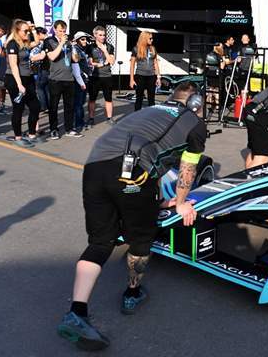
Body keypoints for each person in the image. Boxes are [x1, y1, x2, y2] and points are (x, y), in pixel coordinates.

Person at [57, 82, 206, 351]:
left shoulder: (151, 111)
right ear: (195, 102)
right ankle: (132, 293)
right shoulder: (193, 123)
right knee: (141, 239)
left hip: (95, 167)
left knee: (100, 242)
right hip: (132, 173)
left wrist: (158, 201)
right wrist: (181, 203)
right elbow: (187, 170)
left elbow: (156, 163)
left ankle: (76, 312)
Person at [4, 19, 44, 147]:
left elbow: (37, 42)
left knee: (35, 106)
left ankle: (31, 134)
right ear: (17, 31)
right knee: (19, 108)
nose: (28, 33)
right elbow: (13, 65)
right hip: (15, 79)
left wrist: (33, 29)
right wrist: (19, 84)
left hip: (28, 77)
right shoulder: (12, 44)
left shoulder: (25, 43)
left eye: (28, 31)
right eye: (25, 31)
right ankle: (18, 137)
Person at [42, 20, 83, 139]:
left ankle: (69, 128)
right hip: (55, 78)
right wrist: (61, 44)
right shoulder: (49, 41)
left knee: (69, 106)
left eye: (64, 31)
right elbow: (52, 57)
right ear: (55, 30)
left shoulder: (68, 43)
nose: (62, 33)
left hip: (69, 79)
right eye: (60, 31)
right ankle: (53, 129)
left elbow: (75, 60)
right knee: (53, 106)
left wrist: (73, 47)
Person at [86, 25, 115, 127]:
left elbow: (111, 61)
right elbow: (90, 63)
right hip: (95, 76)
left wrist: (105, 50)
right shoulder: (90, 47)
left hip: (107, 76)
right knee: (92, 98)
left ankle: (109, 118)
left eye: (104, 35)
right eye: (100, 35)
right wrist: (102, 63)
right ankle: (91, 118)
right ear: (95, 35)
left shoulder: (109, 46)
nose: (103, 37)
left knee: (108, 98)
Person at [129, 31, 161, 111]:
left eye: (152, 38)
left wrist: (158, 77)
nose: (152, 40)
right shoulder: (136, 49)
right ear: (144, 38)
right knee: (139, 98)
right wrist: (131, 79)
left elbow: (155, 63)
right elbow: (132, 65)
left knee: (151, 98)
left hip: (152, 76)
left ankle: (150, 116)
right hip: (140, 76)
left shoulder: (153, 48)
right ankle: (136, 115)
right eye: (150, 38)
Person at [71, 33, 91, 132]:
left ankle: (79, 122)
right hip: (78, 80)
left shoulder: (81, 50)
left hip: (83, 79)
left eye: (85, 39)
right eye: (82, 39)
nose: (85, 41)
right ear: (77, 40)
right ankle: (78, 124)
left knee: (81, 102)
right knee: (78, 103)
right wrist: (81, 81)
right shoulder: (75, 49)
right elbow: (75, 67)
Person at [31, 27, 50, 115]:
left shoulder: (44, 43)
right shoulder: (48, 41)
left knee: (39, 88)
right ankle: (48, 107)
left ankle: (43, 106)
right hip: (46, 69)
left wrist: (31, 58)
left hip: (42, 69)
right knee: (46, 88)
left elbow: (41, 56)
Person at [204, 43, 226, 115]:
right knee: (216, 90)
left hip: (209, 73)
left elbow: (206, 65)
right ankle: (217, 107)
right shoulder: (219, 56)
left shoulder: (208, 55)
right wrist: (224, 60)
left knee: (210, 90)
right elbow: (222, 67)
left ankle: (209, 106)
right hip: (217, 74)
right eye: (221, 47)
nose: (222, 48)